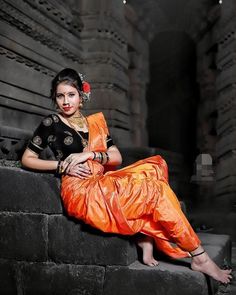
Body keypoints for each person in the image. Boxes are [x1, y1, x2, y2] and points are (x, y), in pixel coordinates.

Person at [22, 68, 232, 284]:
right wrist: (62, 166)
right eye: (60, 96)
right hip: (81, 191)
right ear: (55, 98)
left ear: (81, 96)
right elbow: (28, 158)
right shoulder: (51, 124)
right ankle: (199, 256)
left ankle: (144, 235)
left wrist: (89, 154)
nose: (66, 101)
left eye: (71, 95)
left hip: (101, 181)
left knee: (154, 166)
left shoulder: (95, 123)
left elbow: (116, 158)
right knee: (155, 191)